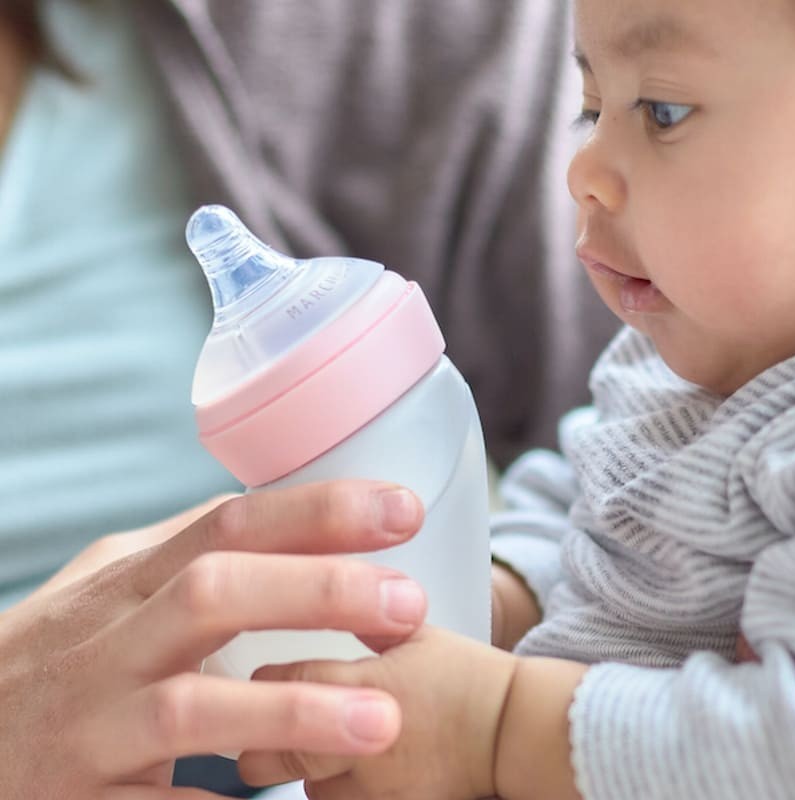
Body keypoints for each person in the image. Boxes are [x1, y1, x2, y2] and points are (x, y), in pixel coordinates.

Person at [0, 0, 617, 796]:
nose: (597, 167)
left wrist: (505, 602)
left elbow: (682, 451)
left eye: (662, 114)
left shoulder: (370, 31)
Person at [250, 1, 795, 798]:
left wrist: (494, 723)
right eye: (590, 107)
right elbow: (592, 509)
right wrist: (486, 598)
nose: (583, 169)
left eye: (664, 111)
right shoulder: (667, 356)